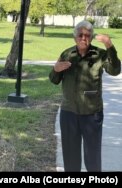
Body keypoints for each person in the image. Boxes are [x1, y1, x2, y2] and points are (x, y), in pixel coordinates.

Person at [49, 20, 121, 172]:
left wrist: (109, 45)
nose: (84, 38)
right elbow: (54, 80)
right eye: (80, 35)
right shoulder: (67, 54)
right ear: (75, 37)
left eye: (87, 35)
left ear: (92, 37)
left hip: (92, 114)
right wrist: (55, 69)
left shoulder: (100, 55)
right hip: (69, 114)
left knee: (93, 159)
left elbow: (115, 70)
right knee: (70, 159)